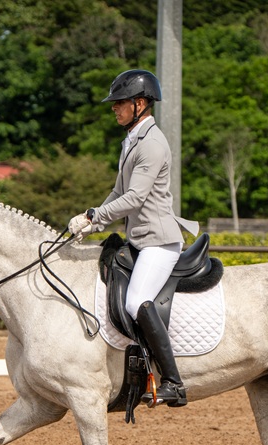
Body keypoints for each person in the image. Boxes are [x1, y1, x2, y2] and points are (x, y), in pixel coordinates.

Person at [68, 69, 199, 408]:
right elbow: (118, 191)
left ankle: (173, 382)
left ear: (140, 104)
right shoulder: (132, 141)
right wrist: (92, 222)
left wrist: (94, 215)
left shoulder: (153, 143)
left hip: (159, 241)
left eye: (119, 103)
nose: (114, 108)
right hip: (140, 239)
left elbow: (136, 198)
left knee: (135, 299)